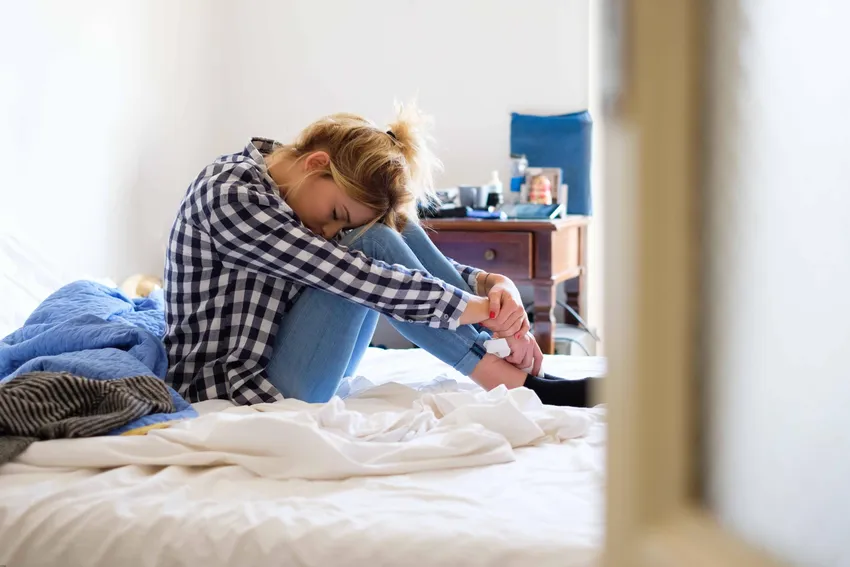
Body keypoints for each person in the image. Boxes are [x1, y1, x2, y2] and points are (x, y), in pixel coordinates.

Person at [163, 104, 595, 407]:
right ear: (316, 163)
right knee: (369, 248)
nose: (328, 232)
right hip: (233, 385)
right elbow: (355, 277)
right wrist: (483, 312)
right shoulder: (232, 196)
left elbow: (390, 260)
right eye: (335, 215)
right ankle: (507, 377)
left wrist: (490, 287)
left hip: (292, 359)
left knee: (387, 230)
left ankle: (505, 365)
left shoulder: (289, 182)